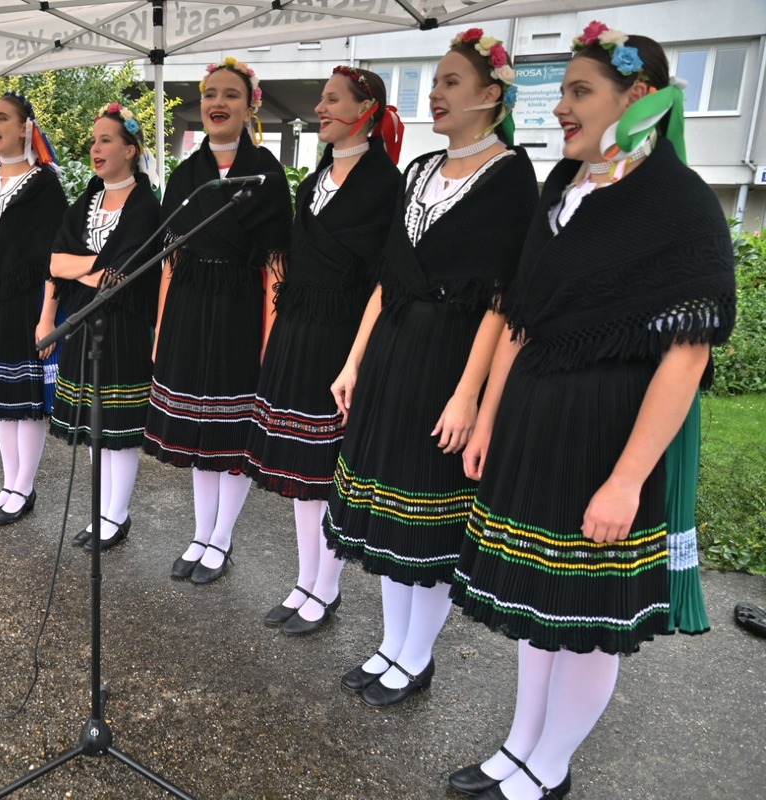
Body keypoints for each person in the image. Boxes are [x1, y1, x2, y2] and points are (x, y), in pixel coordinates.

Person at [449, 25, 736, 799]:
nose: (562, 108)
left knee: (582, 618)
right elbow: (523, 318)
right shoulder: (563, 188)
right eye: (564, 92)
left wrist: (626, 480)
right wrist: (487, 417)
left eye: (580, 92)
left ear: (638, 97)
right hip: (538, 422)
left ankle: (550, 766)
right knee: (540, 604)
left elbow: (689, 353)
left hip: (608, 434)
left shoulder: (681, 203)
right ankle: (519, 743)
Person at [323, 29, 536, 705]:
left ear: (491, 95)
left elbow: (504, 302)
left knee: (428, 520)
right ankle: (391, 645)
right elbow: (386, 278)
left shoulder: (511, 179)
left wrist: (468, 395)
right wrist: (353, 361)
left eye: (450, 82)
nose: (436, 95)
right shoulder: (415, 171)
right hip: (391, 351)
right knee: (390, 513)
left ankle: (416, 658)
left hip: (448, 358)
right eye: (436, 82)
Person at [246, 67, 403, 635]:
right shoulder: (313, 182)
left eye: (333, 100)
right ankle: (306, 577)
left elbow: (381, 274)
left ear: (367, 108)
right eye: (322, 99)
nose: (320, 108)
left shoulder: (387, 183)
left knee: (325, 468)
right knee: (300, 467)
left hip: (343, 334)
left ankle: (327, 587)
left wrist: (356, 357)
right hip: (299, 328)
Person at [143, 58, 292, 583]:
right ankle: (200, 533)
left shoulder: (269, 175)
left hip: (238, 310)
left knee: (231, 432)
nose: (217, 103)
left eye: (230, 94)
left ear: (252, 105)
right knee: (198, 433)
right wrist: (161, 326)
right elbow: (170, 260)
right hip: (188, 305)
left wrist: (268, 340)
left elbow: (275, 271)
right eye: (210, 94)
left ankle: (221, 539)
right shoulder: (186, 174)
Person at [49, 103, 161, 550]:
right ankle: (101, 513)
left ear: (130, 150)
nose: (95, 148)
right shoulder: (85, 202)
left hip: (123, 323)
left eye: (106, 140)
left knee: (118, 426)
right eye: (94, 141)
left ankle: (117, 515)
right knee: (96, 426)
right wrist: (91, 269)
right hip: (83, 322)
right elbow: (55, 260)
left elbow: (125, 273)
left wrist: (82, 268)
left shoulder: (145, 206)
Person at [0, 92, 67, 522]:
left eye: (3, 117)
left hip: (28, 302)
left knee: (25, 401)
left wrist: (47, 317)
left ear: (25, 128)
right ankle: (8, 482)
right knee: (3, 399)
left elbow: (53, 257)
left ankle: (24, 487)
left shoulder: (45, 184)